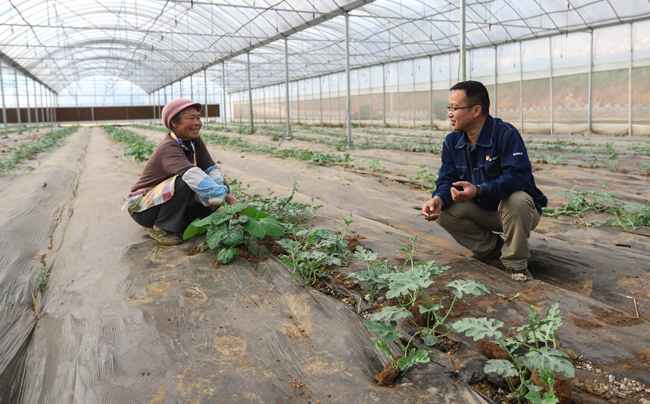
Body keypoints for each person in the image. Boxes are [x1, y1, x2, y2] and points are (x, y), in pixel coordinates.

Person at [421, 81, 547, 281]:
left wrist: (478, 190)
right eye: (449, 108)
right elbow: (447, 180)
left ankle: (516, 266)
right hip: (483, 210)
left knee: (517, 199)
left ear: (476, 110)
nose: (449, 114)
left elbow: (517, 177)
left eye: (455, 108)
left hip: (518, 212)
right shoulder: (452, 142)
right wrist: (439, 198)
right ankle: (493, 251)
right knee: (443, 211)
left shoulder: (505, 134)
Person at [125, 98, 238, 245]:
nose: (198, 123)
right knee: (184, 182)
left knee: (221, 184)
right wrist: (229, 199)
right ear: (174, 122)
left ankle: (184, 222)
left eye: (198, 117)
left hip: (170, 201)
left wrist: (221, 191)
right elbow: (191, 175)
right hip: (145, 209)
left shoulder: (194, 141)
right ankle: (160, 228)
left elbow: (210, 169)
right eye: (191, 118)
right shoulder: (168, 146)